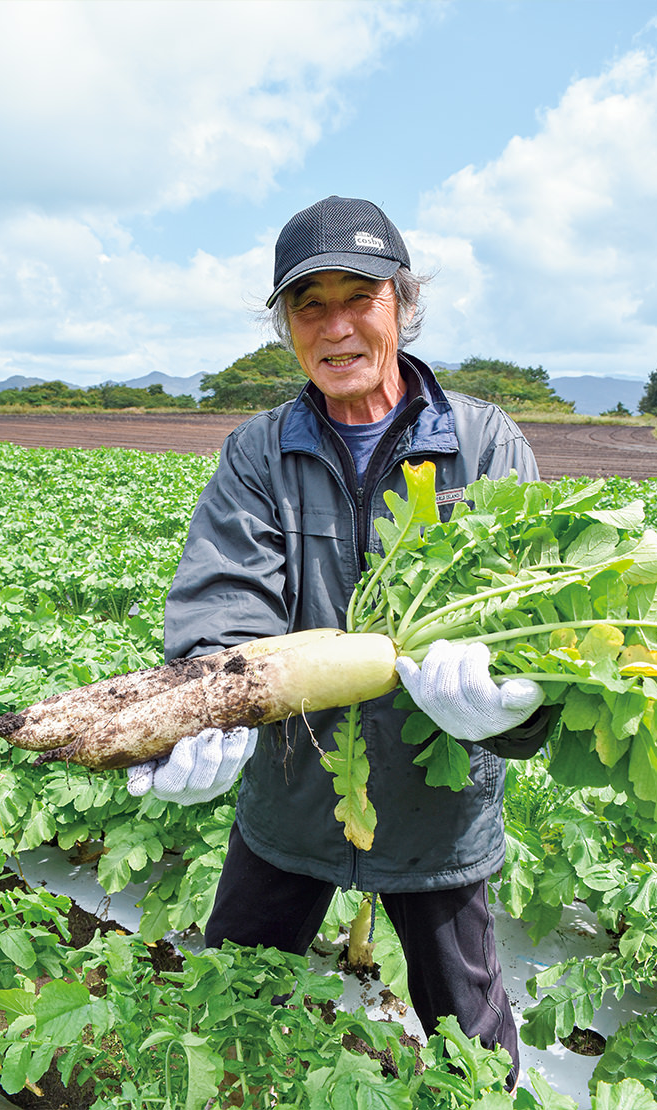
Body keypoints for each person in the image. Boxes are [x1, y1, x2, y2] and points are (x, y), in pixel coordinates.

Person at [127, 195, 552, 1091]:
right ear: (287, 326)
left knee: (476, 1057)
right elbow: (226, 604)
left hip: (440, 817)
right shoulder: (258, 451)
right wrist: (212, 705)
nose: (336, 327)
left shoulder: (484, 445)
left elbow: (534, 634)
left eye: (358, 296)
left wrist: (508, 713)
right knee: (222, 1014)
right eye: (308, 306)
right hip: (290, 797)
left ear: (402, 300)